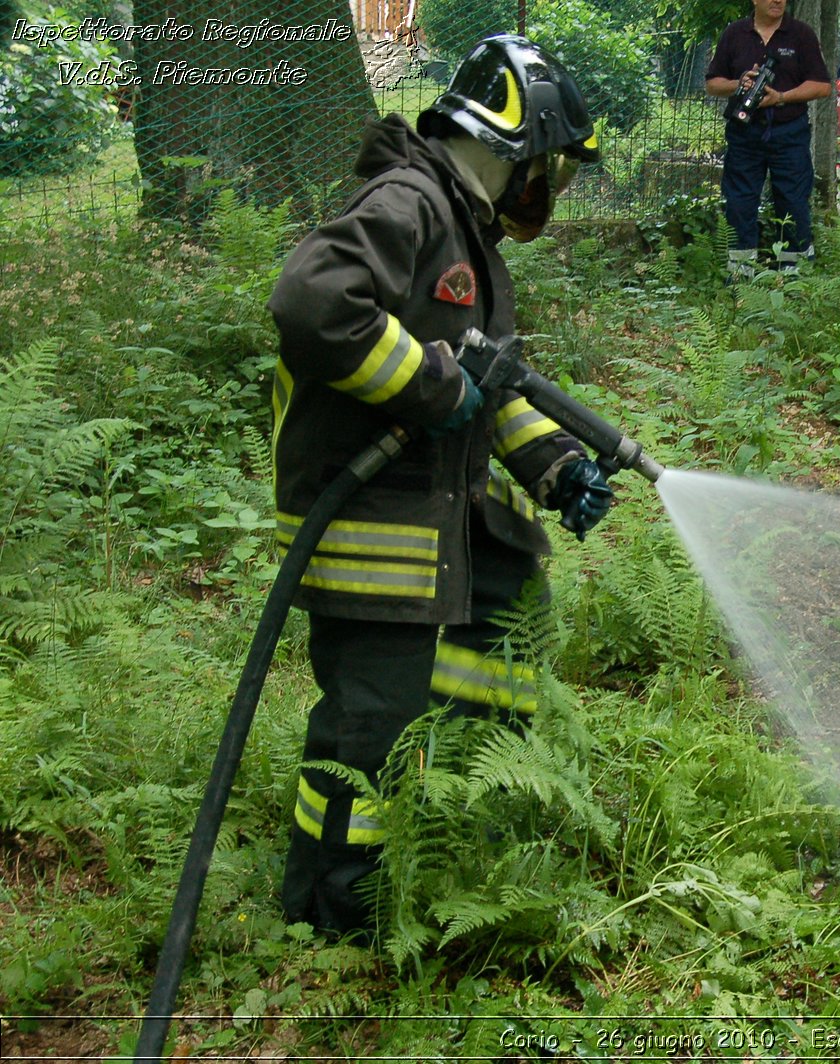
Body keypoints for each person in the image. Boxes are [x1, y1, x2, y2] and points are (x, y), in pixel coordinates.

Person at [267, 34, 616, 939]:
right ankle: (345, 913)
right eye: (551, 169)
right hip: (372, 534)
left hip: (432, 525)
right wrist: (431, 384)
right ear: (515, 151)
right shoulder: (410, 204)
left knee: (505, 607)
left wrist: (556, 465)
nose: (551, 189)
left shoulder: (469, 235)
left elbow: (487, 389)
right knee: (369, 733)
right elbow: (314, 304)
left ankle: (453, 820)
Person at [705, 0, 832, 278]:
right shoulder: (734, 33)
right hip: (744, 132)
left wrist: (782, 97)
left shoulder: (801, 34)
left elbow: (822, 86)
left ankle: (794, 276)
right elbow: (712, 83)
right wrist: (740, 84)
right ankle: (740, 276)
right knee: (739, 202)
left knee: (793, 201)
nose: (777, 0)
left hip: (789, 132)